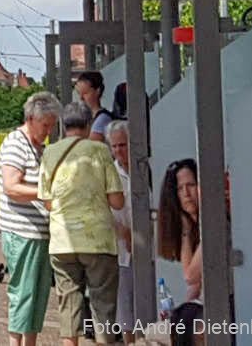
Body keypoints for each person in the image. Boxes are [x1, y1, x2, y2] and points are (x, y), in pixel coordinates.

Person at [39, 100, 125, 346]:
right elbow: (117, 201)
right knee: (102, 305)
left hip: (62, 242)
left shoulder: (50, 153)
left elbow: (47, 202)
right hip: (98, 242)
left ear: (63, 126)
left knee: (68, 304)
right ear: (88, 125)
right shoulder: (99, 151)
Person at [0, 91, 60, 346]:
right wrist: (45, 193)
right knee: (23, 293)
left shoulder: (39, 147)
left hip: (39, 233)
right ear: (32, 119)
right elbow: (11, 186)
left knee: (38, 295)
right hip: (22, 232)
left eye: (51, 126)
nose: (48, 131)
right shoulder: (16, 143)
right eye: (45, 125)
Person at [157, 158, 204, 344]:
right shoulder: (192, 227)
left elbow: (190, 275)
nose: (186, 194)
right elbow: (193, 286)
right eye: (179, 188)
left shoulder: (214, 223)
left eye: (191, 185)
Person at [105, 121, 135, 343]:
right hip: (122, 251)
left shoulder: (147, 168)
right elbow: (103, 211)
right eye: (114, 146)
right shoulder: (109, 173)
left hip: (151, 250)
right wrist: (124, 232)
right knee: (126, 311)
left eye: (122, 145)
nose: (118, 151)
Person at [76, 71, 115, 142]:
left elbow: (90, 147)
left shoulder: (103, 118)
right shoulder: (85, 118)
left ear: (97, 91)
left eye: (85, 93)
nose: (81, 98)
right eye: (79, 93)